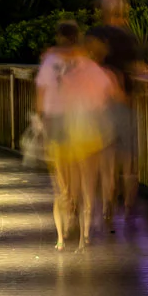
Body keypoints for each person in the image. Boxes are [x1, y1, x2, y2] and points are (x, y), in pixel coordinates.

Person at [35, 20, 114, 249]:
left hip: (56, 123)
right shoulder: (84, 61)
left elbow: (41, 92)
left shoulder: (50, 60)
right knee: (85, 181)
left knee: (62, 183)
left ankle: (65, 223)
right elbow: (102, 93)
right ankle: (84, 232)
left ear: (59, 36)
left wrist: (41, 118)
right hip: (82, 124)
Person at [90, 0, 148, 226]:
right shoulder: (129, 37)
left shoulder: (94, 36)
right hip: (125, 104)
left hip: (99, 106)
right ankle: (128, 207)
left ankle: (107, 204)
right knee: (129, 160)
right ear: (123, 12)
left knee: (106, 159)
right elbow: (139, 69)